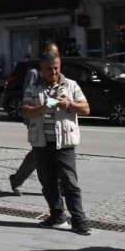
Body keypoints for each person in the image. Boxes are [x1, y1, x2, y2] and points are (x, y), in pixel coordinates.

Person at [22, 52, 92, 235]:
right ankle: (57, 215)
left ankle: (79, 219)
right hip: (41, 142)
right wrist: (44, 107)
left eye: (56, 68)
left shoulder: (71, 85)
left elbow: (86, 109)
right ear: (41, 70)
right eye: (49, 69)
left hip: (64, 143)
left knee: (70, 183)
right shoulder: (34, 87)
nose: (53, 72)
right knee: (47, 182)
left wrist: (67, 104)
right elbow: (26, 111)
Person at [10, 43, 59, 194]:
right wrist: (29, 118)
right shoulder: (34, 73)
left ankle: (58, 186)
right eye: (51, 55)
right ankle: (18, 179)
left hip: (54, 120)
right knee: (38, 154)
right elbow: (28, 98)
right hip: (37, 119)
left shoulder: (56, 71)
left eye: (56, 55)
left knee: (55, 152)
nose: (53, 58)